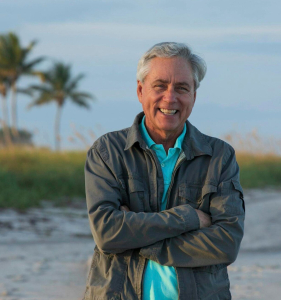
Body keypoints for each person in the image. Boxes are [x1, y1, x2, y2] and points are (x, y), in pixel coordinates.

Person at [83, 42, 245, 300]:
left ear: (193, 96)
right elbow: (107, 232)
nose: (170, 98)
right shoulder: (108, 152)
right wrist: (189, 219)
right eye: (160, 86)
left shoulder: (219, 157)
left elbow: (226, 243)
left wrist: (136, 238)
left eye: (182, 88)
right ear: (140, 90)